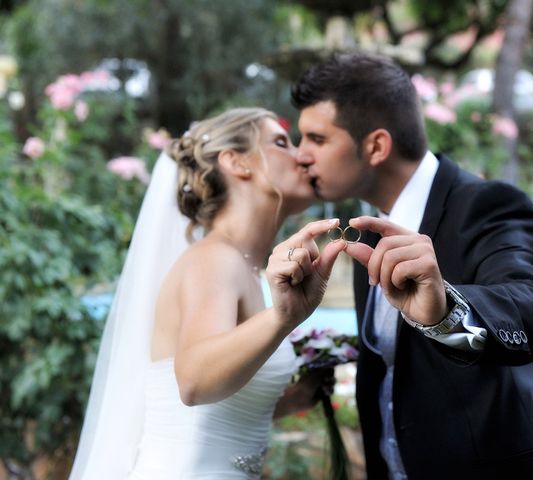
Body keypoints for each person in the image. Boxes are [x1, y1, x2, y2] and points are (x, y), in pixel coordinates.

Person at [291, 52, 533, 479]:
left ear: (375, 146)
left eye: (316, 139)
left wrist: (446, 313)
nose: (301, 156)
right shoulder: (364, 233)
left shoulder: (486, 205)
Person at [69, 107, 344, 479]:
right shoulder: (214, 259)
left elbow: (205, 413)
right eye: (281, 142)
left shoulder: (244, 266)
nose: (302, 156)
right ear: (236, 162)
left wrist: (291, 400)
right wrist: (282, 317)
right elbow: (195, 382)